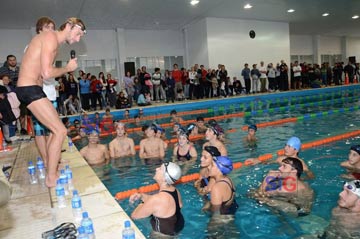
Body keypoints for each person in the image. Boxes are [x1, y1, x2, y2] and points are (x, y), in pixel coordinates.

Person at [15, 17, 86, 187]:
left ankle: (52, 170)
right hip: (29, 89)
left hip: (32, 90)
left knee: (55, 130)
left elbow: (39, 71)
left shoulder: (51, 41)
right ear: (69, 25)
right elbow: (47, 73)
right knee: (60, 131)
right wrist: (67, 69)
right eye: (77, 34)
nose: (77, 39)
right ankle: (51, 177)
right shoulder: (50, 37)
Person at [130, 162, 184, 236]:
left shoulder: (157, 199)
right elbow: (157, 202)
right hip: (177, 228)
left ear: (164, 178)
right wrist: (142, 196)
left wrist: (142, 203)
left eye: (160, 169)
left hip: (161, 235)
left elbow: (134, 216)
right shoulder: (175, 190)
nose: (156, 168)